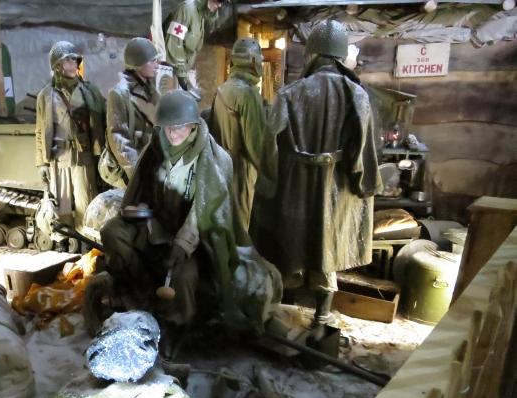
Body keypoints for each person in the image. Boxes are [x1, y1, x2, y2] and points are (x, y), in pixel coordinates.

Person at [100, 90, 281, 343]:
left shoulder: (214, 160)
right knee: (111, 232)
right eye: (167, 128)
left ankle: (176, 328)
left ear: (193, 127)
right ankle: (140, 289)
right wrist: (138, 213)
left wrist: (183, 244)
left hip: (198, 239)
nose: (172, 135)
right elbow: (139, 189)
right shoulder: (155, 149)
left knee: (183, 277)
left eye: (179, 128)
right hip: (155, 224)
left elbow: (204, 210)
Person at [250, 20, 382, 330]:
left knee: (289, 243)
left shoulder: (290, 93)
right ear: (340, 55)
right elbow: (363, 149)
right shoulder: (357, 94)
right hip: (336, 184)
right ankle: (322, 315)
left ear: (312, 54)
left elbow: (269, 144)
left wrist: (269, 184)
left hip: (295, 183)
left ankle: (278, 314)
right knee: (327, 247)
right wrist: (363, 182)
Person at [35, 41, 105, 233]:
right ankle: (63, 240)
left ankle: (87, 239)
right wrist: (41, 163)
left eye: (75, 60)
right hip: (59, 157)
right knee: (61, 206)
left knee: (87, 201)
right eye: (69, 60)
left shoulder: (89, 91)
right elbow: (40, 131)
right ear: (57, 66)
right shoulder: (46, 95)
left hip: (84, 155)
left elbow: (102, 121)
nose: (74, 64)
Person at [210, 38, 275, 235]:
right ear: (253, 62)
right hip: (242, 173)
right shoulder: (247, 94)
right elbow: (257, 145)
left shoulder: (223, 88)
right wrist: (272, 177)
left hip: (222, 169)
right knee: (242, 230)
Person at [100, 37, 161, 189]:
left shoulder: (152, 90)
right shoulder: (119, 93)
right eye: (152, 61)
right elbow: (119, 139)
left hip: (150, 163)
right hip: (131, 169)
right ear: (138, 64)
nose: (157, 64)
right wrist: (136, 176)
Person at [163, 0, 228, 92]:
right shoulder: (187, 9)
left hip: (182, 72)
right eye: (218, 1)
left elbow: (212, 23)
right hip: (171, 72)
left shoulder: (200, 15)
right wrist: (182, 76)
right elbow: (174, 43)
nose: (220, 5)